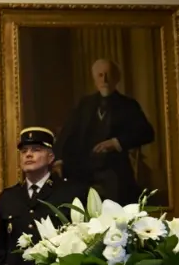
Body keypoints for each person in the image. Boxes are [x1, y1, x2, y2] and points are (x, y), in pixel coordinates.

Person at [0, 127, 88, 265]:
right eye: (24, 151)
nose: (28, 154)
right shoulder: (8, 197)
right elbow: (1, 246)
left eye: (36, 149)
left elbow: (82, 238)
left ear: (50, 157)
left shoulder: (70, 192)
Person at [52, 58, 155, 205]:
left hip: (114, 171)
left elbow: (147, 133)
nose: (104, 79)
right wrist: (59, 160)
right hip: (82, 170)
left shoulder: (128, 105)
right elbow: (67, 133)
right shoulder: (84, 105)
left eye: (109, 74)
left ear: (117, 78)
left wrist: (116, 142)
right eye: (100, 75)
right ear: (95, 79)